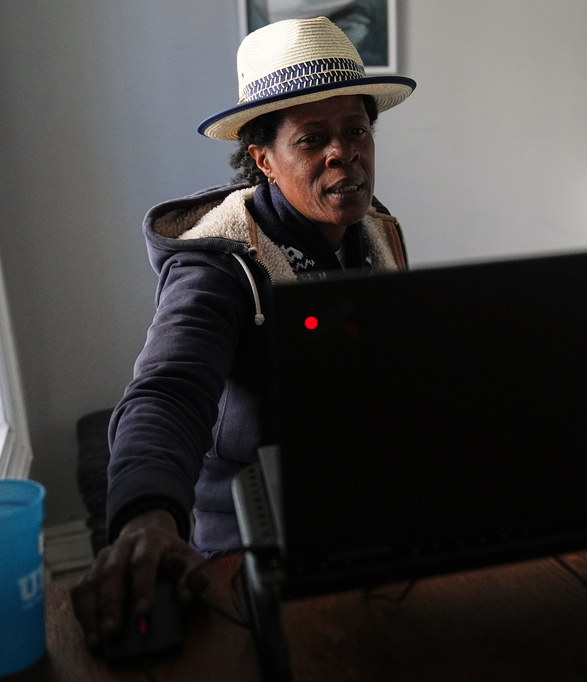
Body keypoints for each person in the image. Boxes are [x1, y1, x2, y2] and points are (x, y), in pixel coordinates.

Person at [71, 16, 415, 648]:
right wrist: (147, 520)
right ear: (263, 159)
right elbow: (167, 392)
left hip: (370, 517)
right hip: (258, 548)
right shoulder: (218, 264)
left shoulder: (379, 230)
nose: (344, 152)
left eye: (356, 131)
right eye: (312, 139)